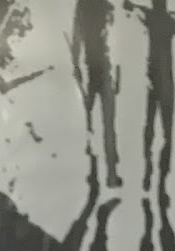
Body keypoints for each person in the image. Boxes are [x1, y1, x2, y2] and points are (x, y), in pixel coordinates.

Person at [126, 0, 175, 194]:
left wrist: (131, 6)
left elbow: (136, 9)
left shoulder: (153, 17)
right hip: (165, 82)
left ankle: (150, 166)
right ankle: (160, 175)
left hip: (155, 80)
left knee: (151, 125)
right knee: (166, 130)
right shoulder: (166, 20)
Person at [71, 0, 121, 189]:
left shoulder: (83, 6)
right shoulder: (104, 5)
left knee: (91, 126)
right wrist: (118, 74)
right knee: (107, 127)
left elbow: (77, 37)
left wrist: (76, 65)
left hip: (91, 69)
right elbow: (114, 40)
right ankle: (109, 175)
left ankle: (95, 175)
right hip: (103, 70)